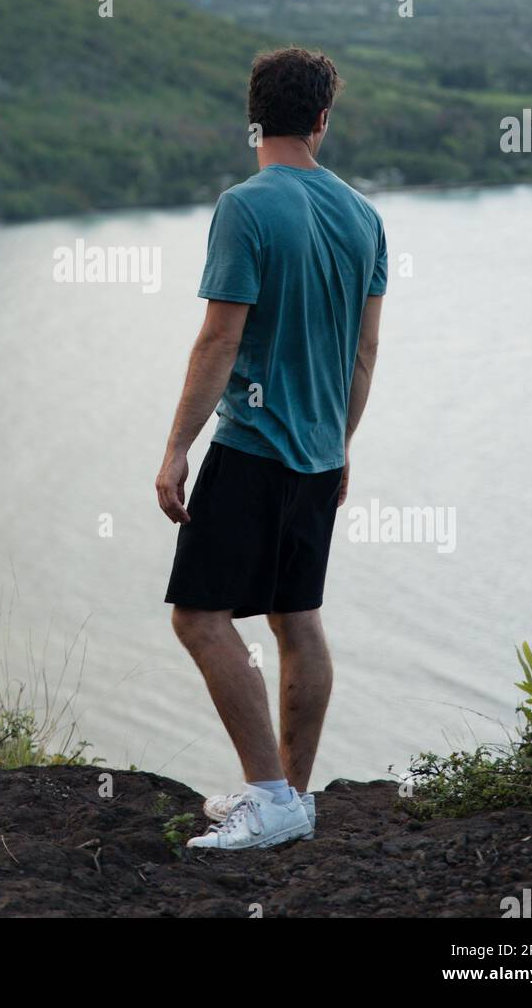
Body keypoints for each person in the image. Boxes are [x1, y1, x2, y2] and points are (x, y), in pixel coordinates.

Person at [156, 46, 386, 851]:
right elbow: (363, 356)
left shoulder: (245, 207)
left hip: (253, 446)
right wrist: (341, 444)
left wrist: (177, 448)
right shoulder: (365, 217)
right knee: (298, 617)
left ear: (253, 116)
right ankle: (293, 794)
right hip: (321, 451)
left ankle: (268, 793)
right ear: (323, 119)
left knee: (199, 617)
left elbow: (221, 336)